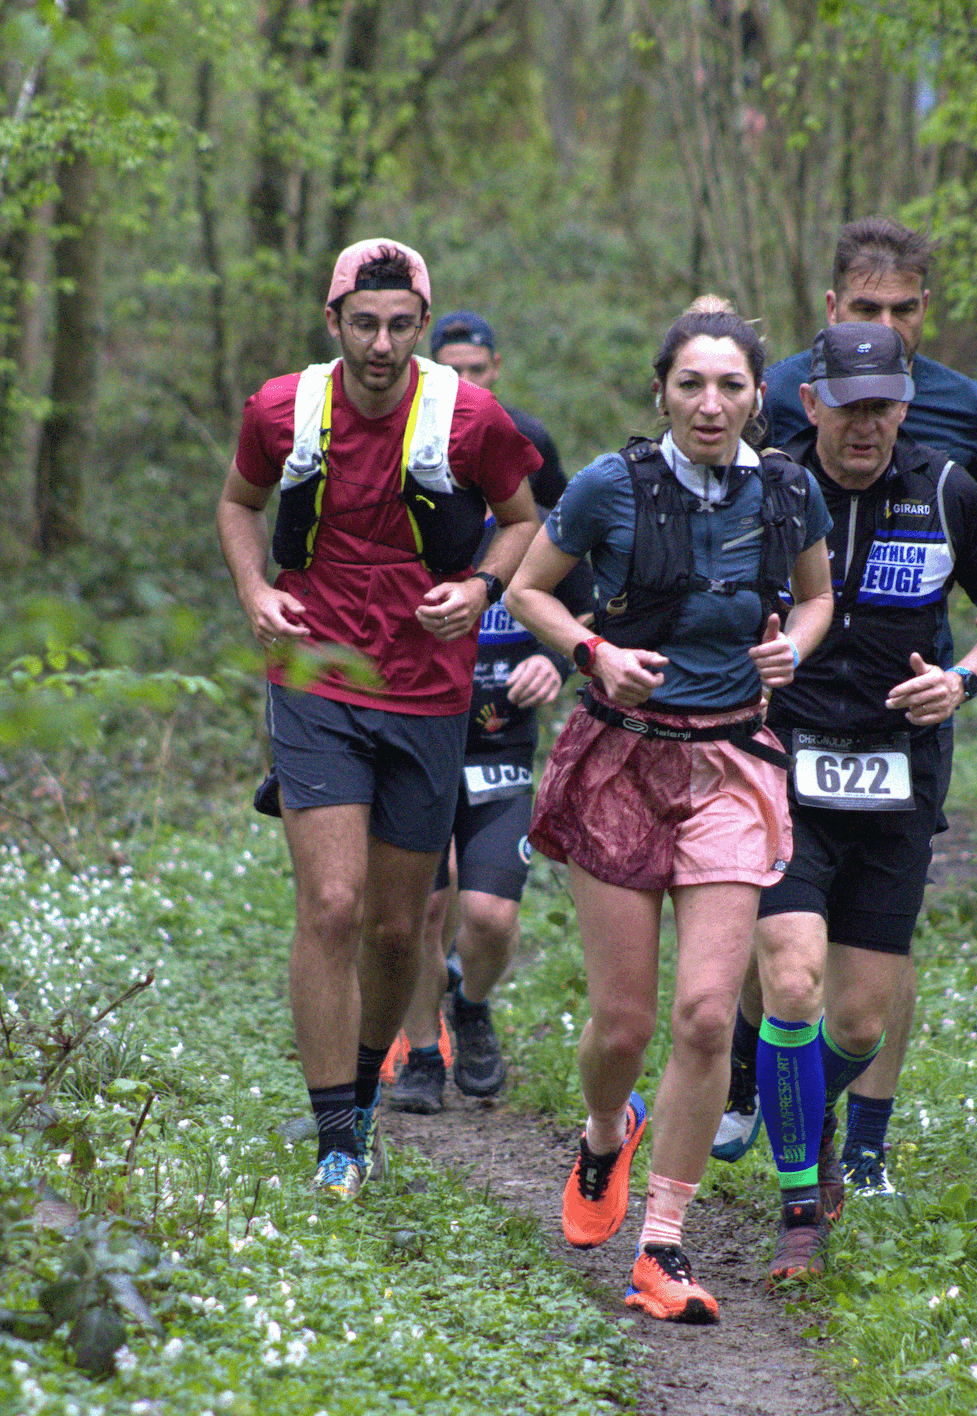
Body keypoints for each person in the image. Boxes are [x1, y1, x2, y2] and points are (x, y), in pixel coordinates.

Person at [505, 307, 834, 1323]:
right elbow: (526, 592)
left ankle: (663, 1245)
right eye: (691, 384)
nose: (709, 404)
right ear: (661, 392)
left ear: (755, 398)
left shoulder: (785, 490)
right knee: (623, 1023)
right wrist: (591, 653)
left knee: (701, 1016)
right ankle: (605, 1131)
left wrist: (795, 650)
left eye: (729, 386)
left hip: (733, 763)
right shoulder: (611, 486)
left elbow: (817, 601)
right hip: (617, 763)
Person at [216, 238, 540, 1200]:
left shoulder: (469, 417)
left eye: (403, 326)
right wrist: (254, 593)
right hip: (315, 677)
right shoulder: (284, 409)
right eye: (365, 324)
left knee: (400, 930)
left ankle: (362, 1095)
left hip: (427, 689)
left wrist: (481, 586)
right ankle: (333, 1141)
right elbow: (240, 505)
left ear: (423, 329)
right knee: (331, 906)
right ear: (334, 323)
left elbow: (525, 521)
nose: (383, 345)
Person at [716, 215, 977, 1195]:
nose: (867, 419)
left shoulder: (961, 421)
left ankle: (852, 1135)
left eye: (904, 308)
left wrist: (952, 680)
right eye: (867, 307)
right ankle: (748, 1088)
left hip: (902, 722)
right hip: (785, 717)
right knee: (786, 960)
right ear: (829, 313)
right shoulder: (772, 417)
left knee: (866, 978)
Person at [751, 322, 977, 1281]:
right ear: (811, 403)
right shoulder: (769, 488)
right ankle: (800, 1207)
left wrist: (960, 680)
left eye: (882, 405)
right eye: (847, 404)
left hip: (898, 774)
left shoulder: (951, 494)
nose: (864, 425)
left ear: (905, 408)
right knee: (792, 980)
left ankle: (789, 1096)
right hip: (783, 761)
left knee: (860, 1024)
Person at [384, 512, 593, 1111]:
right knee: (425, 909)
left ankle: (470, 1006)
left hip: (500, 749)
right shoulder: (405, 518)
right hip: (417, 746)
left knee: (491, 916)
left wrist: (556, 661)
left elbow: (592, 613)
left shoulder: (534, 529)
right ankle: (423, 1053)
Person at [430, 310, 568, 509]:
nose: (465, 383)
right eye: (452, 371)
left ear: (496, 366)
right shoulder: (411, 434)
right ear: (431, 369)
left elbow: (560, 520)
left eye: (477, 369)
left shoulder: (528, 436)